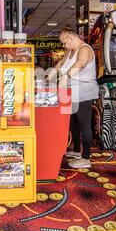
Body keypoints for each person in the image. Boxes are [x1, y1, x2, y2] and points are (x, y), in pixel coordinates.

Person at [49, 26, 99, 169]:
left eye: (64, 42)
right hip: (71, 92)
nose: (64, 45)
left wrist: (67, 75)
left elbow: (81, 63)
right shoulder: (70, 50)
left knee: (84, 124)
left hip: (84, 92)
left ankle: (86, 158)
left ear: (70, 38)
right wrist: (51, 74)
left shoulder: (84, 49)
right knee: (73, 123)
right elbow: (61, 63)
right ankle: (77, 151)